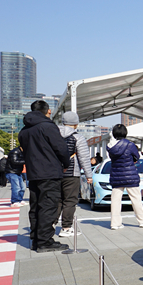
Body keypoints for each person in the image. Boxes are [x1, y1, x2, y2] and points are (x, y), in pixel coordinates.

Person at [18, 100, 71, 252]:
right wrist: (65, 163)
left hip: (33, 173)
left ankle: (36, 238)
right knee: (49, 205)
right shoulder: (48, 126)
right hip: (49, 172)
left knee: (35, 206)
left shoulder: (24, 131)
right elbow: (61, 148)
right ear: (47, 111)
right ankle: (45, 241)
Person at [107, 124, 143, 230]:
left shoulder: (109, 146)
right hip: (130, 175)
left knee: (116, 201)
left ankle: (115, 223)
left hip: (116, 176)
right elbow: (137, 156)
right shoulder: (130, 145)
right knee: (136, 199)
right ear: (125, 133)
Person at [57, 111, 92, 237]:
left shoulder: (53, 135)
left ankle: (50, 225)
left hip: (55, 173)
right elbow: (84, 158)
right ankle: (66, 228)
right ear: (76, 123)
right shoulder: (78, 137)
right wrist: (89, 176)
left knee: (57, 200)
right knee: (70, 200)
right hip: (72, 174)